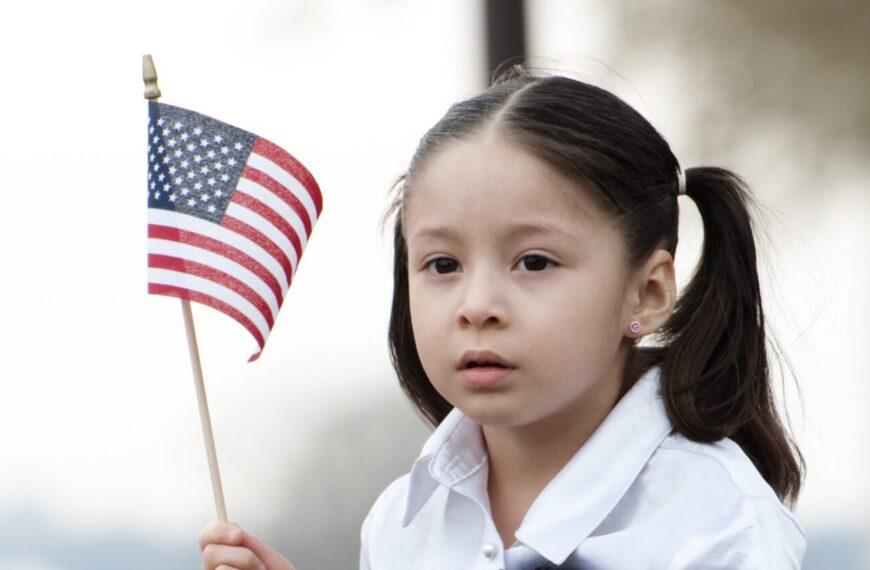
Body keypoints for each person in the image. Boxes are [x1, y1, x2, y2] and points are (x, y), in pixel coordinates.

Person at [199, 69, 806, 569]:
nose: (476, 305)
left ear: (646, 293)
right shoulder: (402, 522)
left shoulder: (719, 521)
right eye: (442, 264)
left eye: (533, 262)